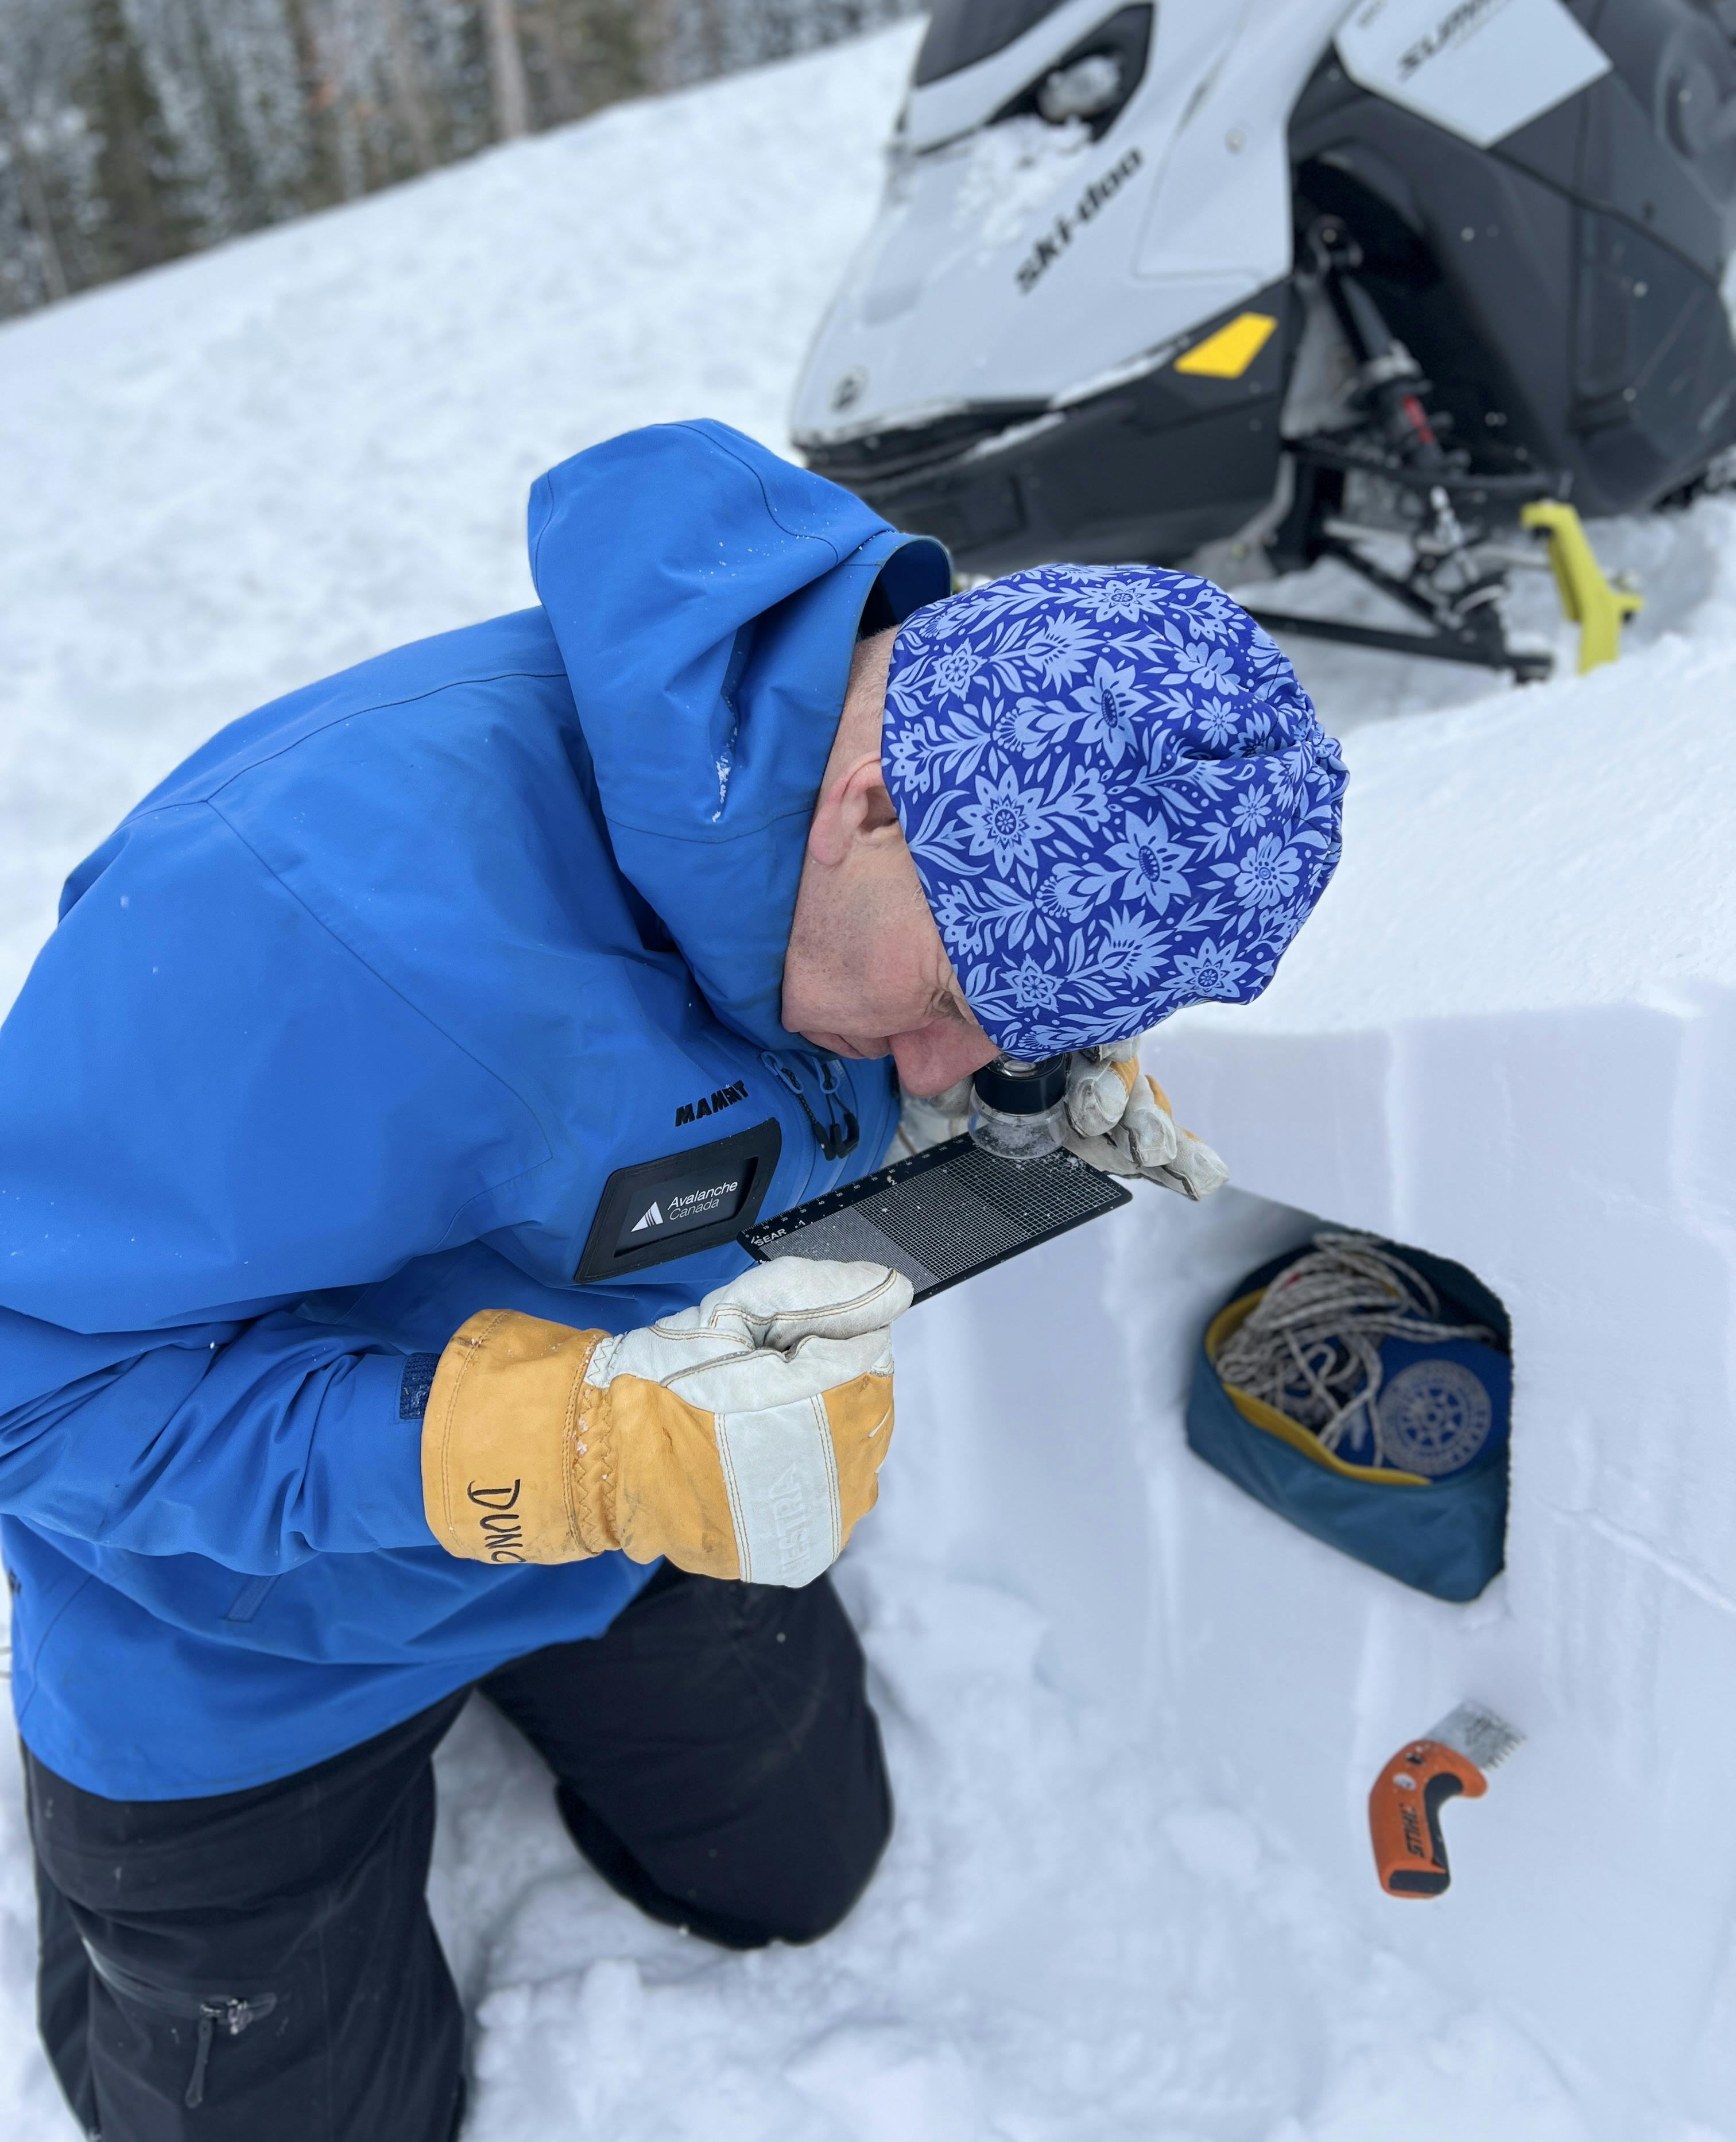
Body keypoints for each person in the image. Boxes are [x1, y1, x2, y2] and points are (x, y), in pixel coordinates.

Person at [0, 420, 1344, 2139]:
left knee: (802, 1874)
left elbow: (779, 1134)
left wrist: (1021, 1120)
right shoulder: (307, 908)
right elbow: (34, 1382)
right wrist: (539, 1446)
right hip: (249, 1619)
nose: (939, 1068)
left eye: (1013, 1032)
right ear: (867, 797)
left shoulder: (860, 889)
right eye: (956, 1005)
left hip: (622, 1499)